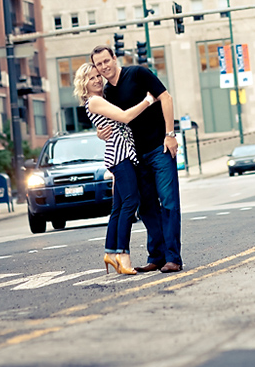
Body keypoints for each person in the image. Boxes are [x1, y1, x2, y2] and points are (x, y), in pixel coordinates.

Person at [90, 45, 182, 273]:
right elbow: (112, 122)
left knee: (168, 202)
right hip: (134, 157)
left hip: (159, 148)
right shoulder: (107, 94)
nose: (104, 67)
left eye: (106, 61)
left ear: (114, 58)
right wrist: (99, 133)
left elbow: (166, 98)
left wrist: (170, 135)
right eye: (99, 64)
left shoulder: (138, 74)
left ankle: (173, 258)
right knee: (147, 208)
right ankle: (157, 257)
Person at [72, 62, 156, 276]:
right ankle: (123, 255)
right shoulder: (95, 101)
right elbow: (126, 117)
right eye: (91, 78)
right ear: (84, 84)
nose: (97, 80)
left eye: (97, 76)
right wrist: (148, 100)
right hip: (120, 156)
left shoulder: (100, 99)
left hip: (120, 153)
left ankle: (111, 252)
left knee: (118, 208)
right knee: (131, 202)